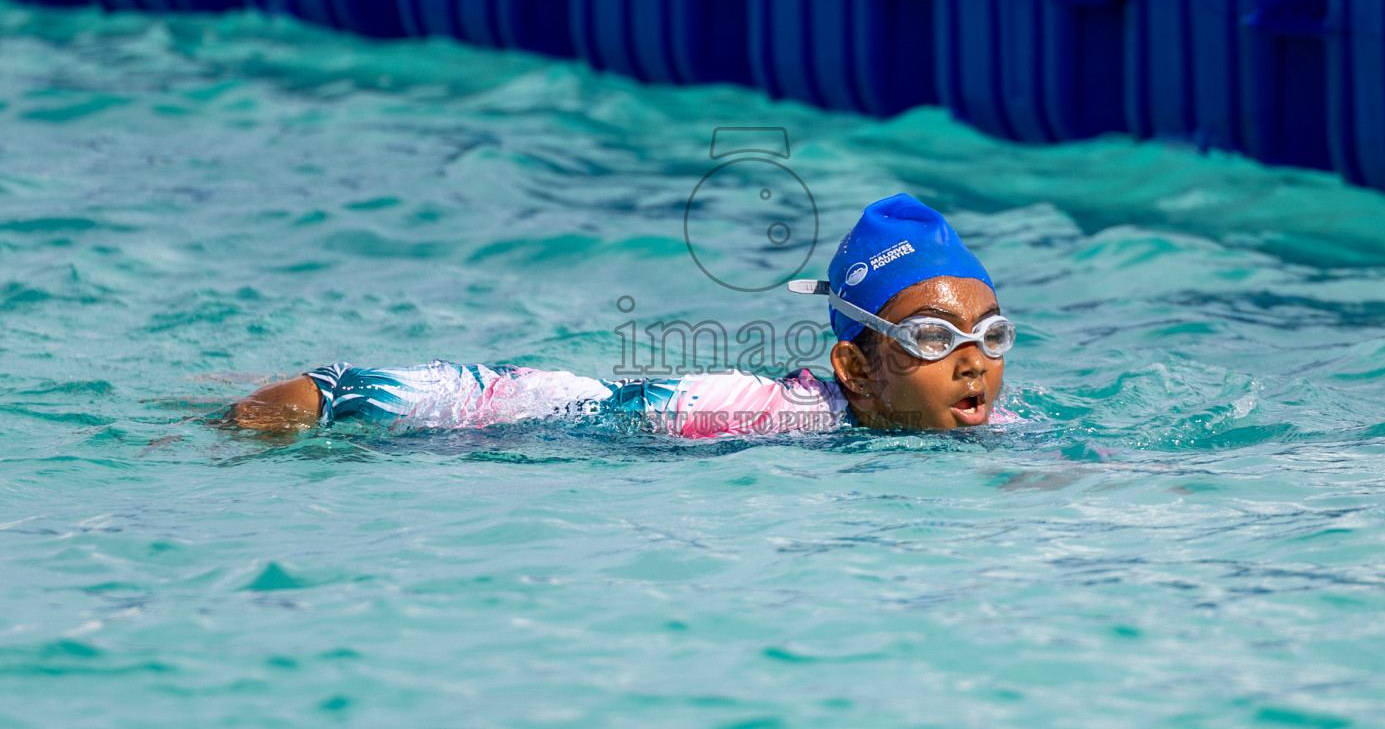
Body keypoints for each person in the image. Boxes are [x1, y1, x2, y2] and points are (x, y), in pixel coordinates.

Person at [226, 193, 1015, 436]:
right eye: (932, 338)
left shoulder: (990, 431)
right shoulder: (753, 415)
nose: (975, 360)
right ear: (856, 368)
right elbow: (545, 396)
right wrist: (333, 392)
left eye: (992, 335)